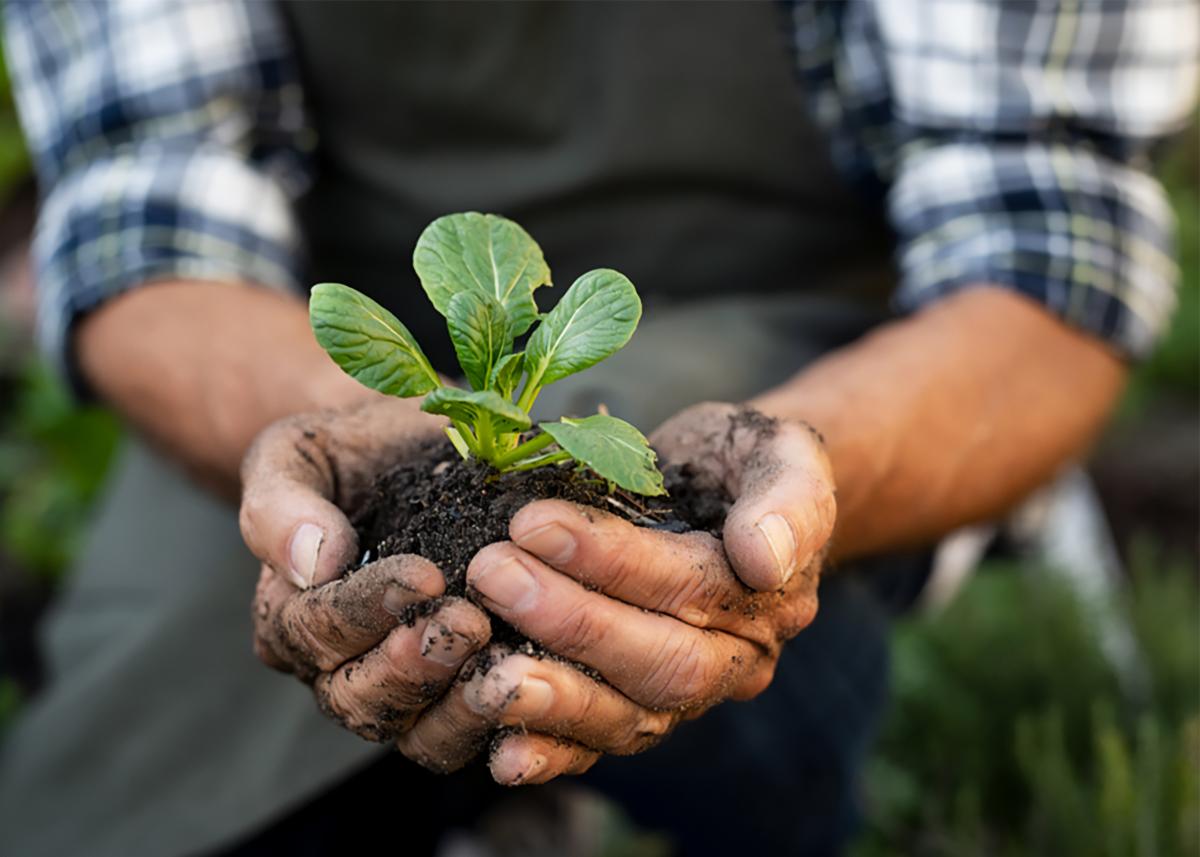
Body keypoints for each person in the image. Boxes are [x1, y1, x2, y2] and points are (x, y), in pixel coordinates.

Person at [1, 1, 1195, 855]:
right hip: (298, 370)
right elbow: (147, 214)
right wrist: (327, 441)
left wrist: (802, 476)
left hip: (819, 350)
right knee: (133, 767)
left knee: (715, 655)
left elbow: (1041, 250)